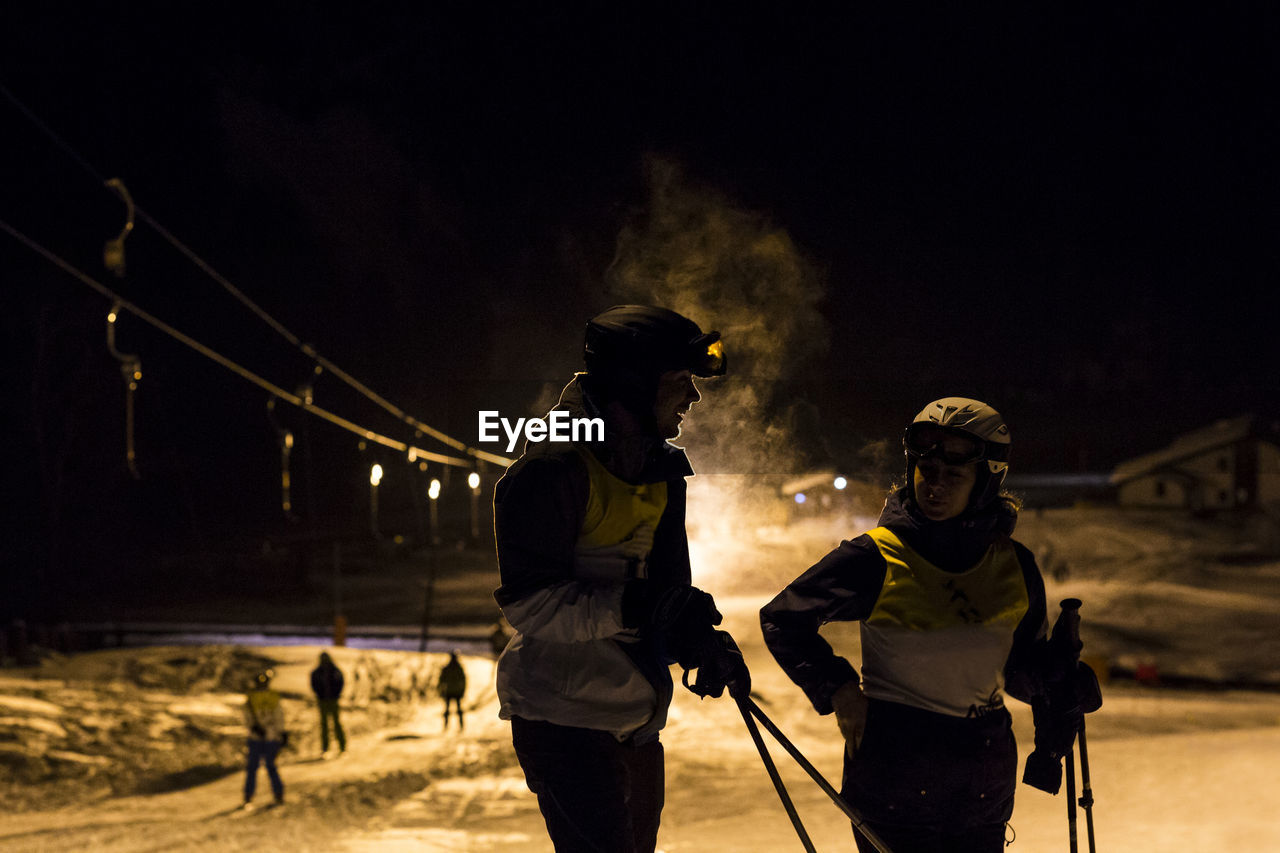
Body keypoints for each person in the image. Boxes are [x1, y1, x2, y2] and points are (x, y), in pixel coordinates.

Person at [761, 397, 1068, 853]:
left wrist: (1059, 683)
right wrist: (839, 689)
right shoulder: (878, 555)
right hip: (897, 774)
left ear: (986, 482)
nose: (935, 486)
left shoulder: (1014, 565)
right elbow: (784, 619)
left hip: (981, 776)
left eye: (954, 476)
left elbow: (1021, 672)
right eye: (926, 472)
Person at [493, 305, 748, 853]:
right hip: (563, 718)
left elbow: (665, 593)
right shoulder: (551, 470)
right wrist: (640, 606)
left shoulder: (660, 470)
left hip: (634, 717)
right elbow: (530, 606)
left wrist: (698, 640)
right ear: (632, 385)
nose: (694, 398)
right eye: (681, 382)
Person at [242, 668, 287, 809]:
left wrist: (281, 733)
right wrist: (254, 727)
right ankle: (249, 797)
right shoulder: (251, 699)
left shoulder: (271, 697)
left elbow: (279, 717)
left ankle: (278, 794)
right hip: (257, 738)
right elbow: (247, 717)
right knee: (254, 768)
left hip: (270, 737)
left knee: (270, 766)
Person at [310, 651, 346, 755]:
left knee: (336, 723)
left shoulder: (334, 671)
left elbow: (340, 682)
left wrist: (336, 694)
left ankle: (342, 745)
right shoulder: (317, 672)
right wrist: (320, 695)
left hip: (333, 700)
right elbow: (314, 684)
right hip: (323, 701)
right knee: (324, 725)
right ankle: (325, 747)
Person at [438, 650, 467, 730]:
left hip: (449, 691)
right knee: (457, 710)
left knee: (448, 710)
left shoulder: (447, 668)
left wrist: (441, 690)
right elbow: (464, 681)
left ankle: (446, 727)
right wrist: (463, 691)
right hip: (456, 692)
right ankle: (460, 727)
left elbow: (441, 680)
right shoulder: (459, 668)